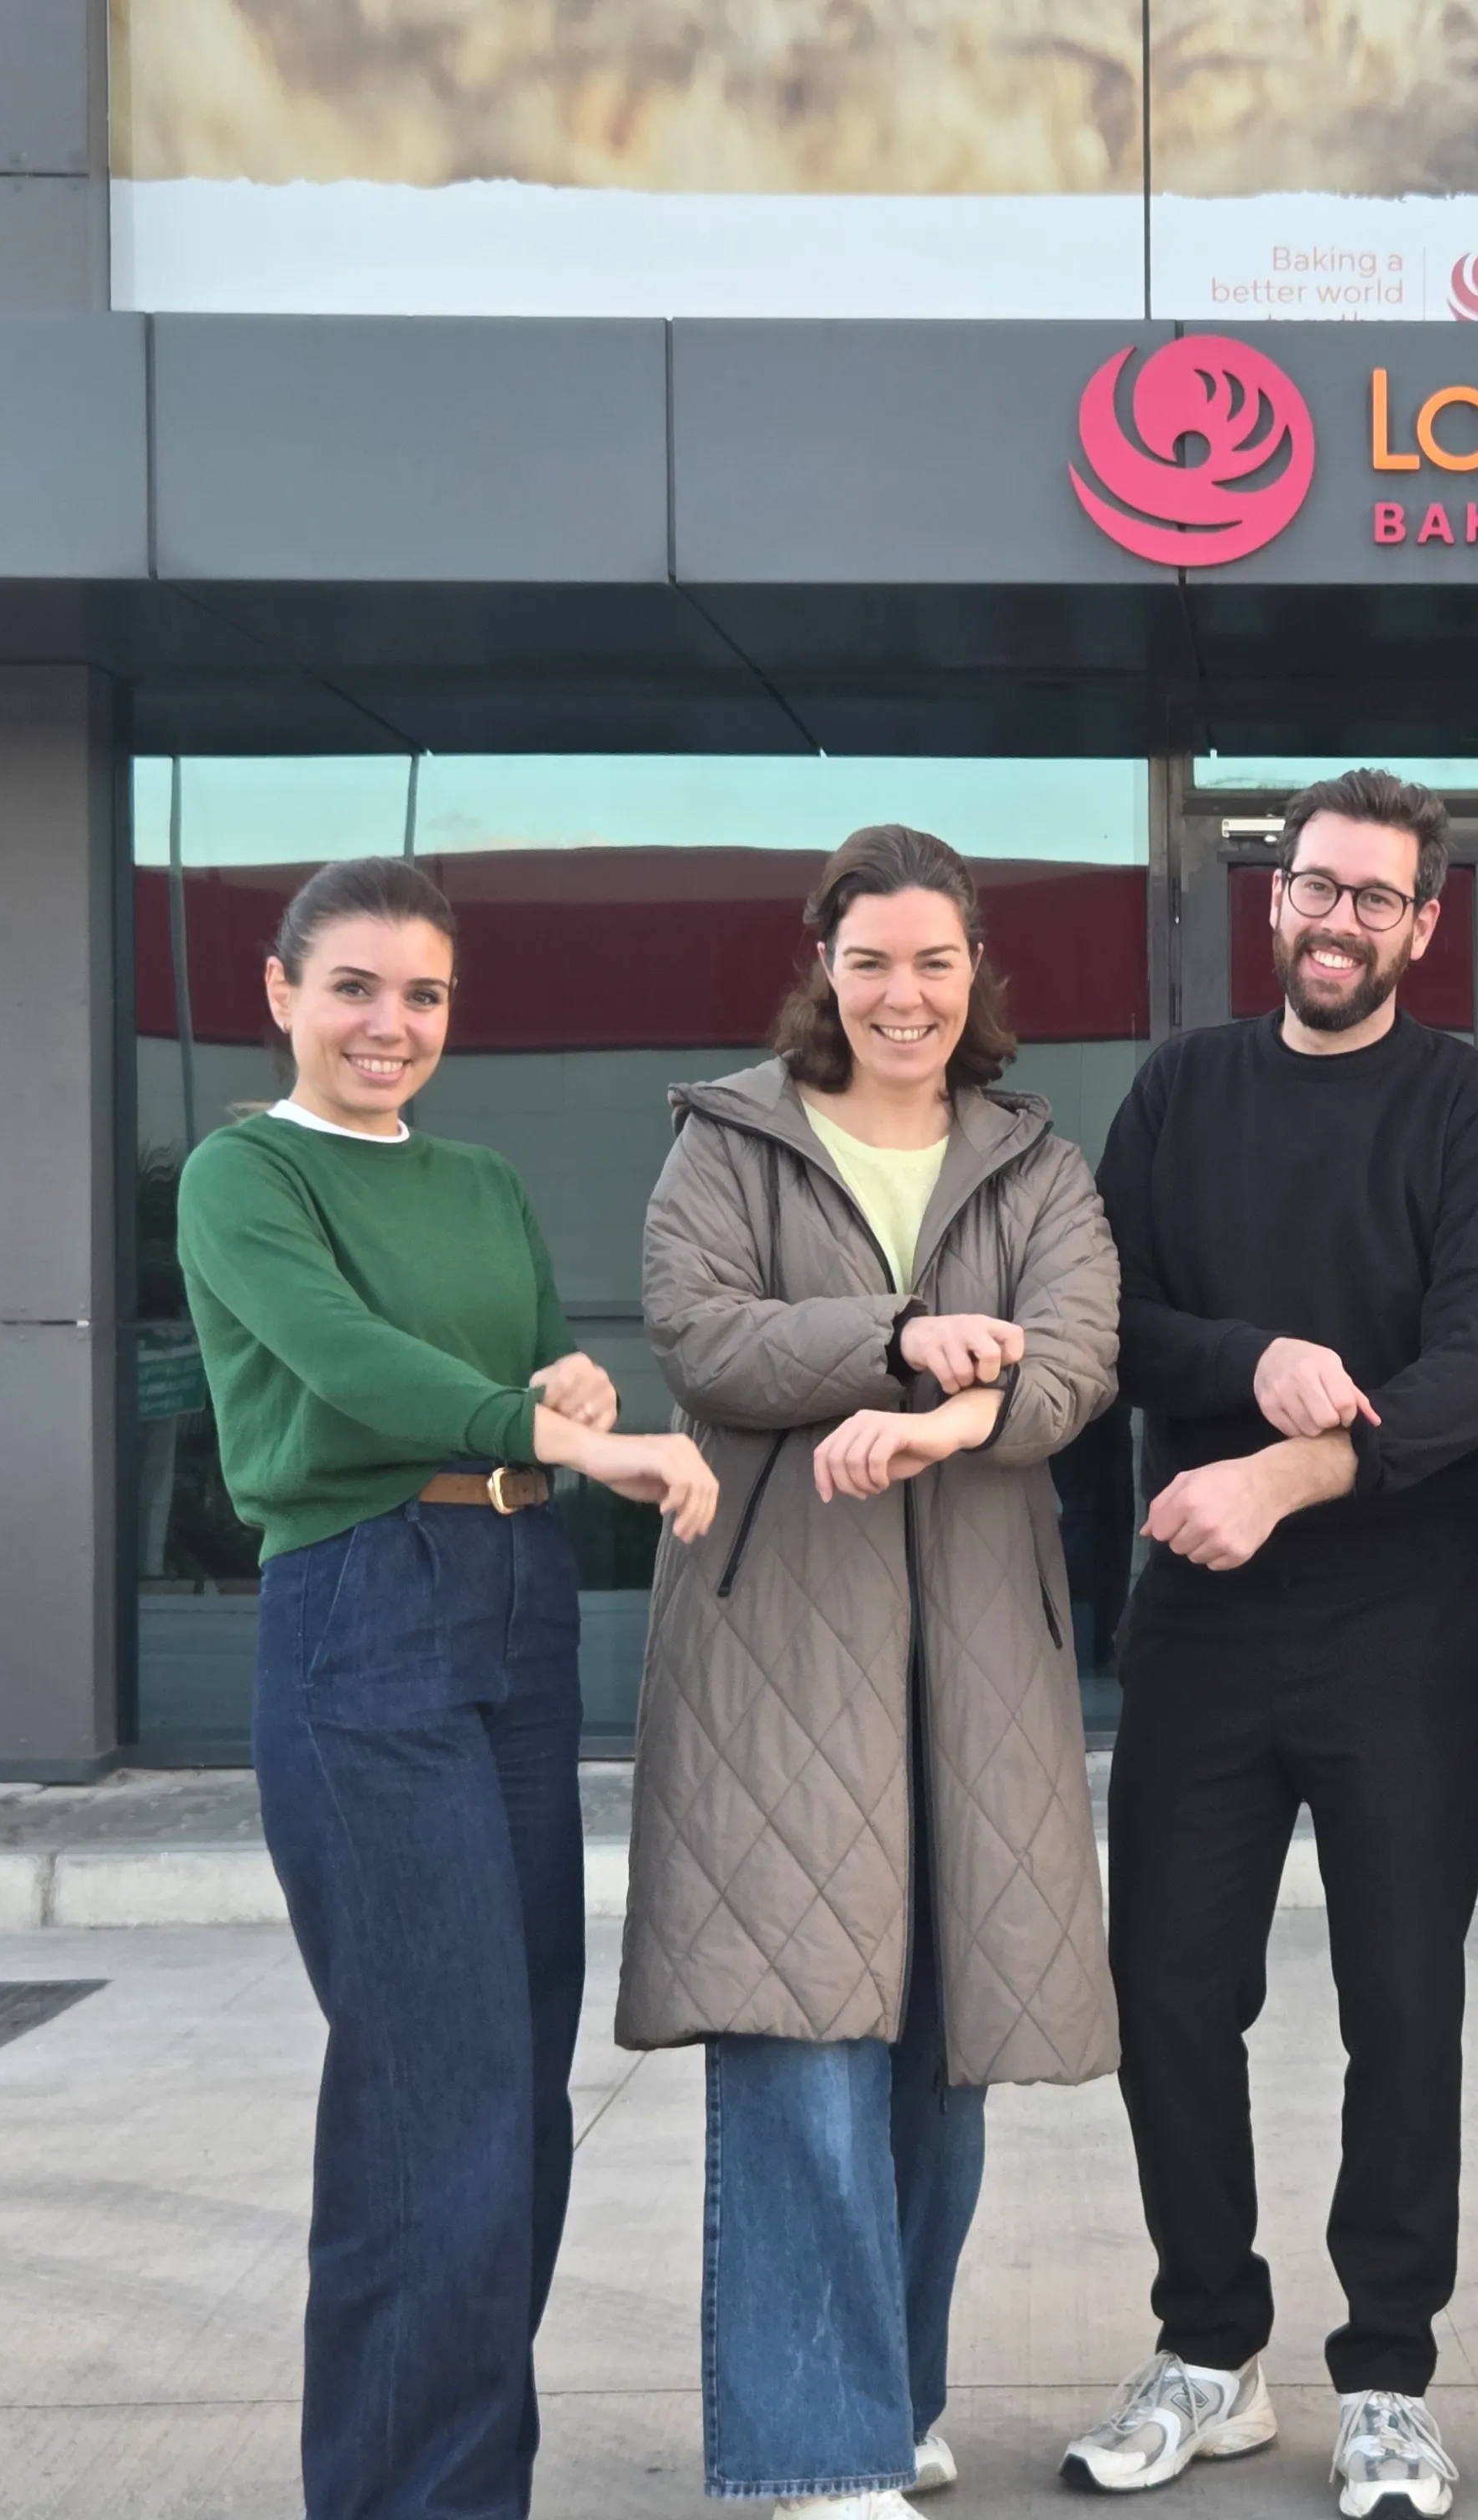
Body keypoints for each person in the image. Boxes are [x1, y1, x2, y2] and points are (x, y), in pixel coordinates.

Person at [176, 855, 720, 2520]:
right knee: (439, 2086)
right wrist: (570, 1432)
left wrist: (562, 1381)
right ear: (278, 993)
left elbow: (525, 1353)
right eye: (351, 987)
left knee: (516, 2079)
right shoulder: (240, 1172)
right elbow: (350, 1365)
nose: (387, 1024)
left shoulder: (475, 1180)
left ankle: (453, 2472)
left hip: (511, 1597)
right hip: (359, 1606)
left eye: (420, 995)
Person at [1066, 767, 1478, 2520]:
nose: (1338, 918)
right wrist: (1249, 1360)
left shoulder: (1469, 1113)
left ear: (1422, 925)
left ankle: (1385, 2380)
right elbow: (1109, 1317)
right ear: (1269, 900)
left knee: (1398, 2006)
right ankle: (1209, 2352)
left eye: (1375, 896)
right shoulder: (1183, 1091)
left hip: (1398, 1622)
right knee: (1170, 1998)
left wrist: (1294, 1465)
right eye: (1313, 886)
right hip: (1195, 1615)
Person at [620, 826, 1123, 2520]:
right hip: (779, 1655)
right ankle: (809, 2449)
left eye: (933, 960)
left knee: (941, 2063)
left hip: (979, 1660)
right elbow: (698, 1334)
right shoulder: (729, 1141)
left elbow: (1078, 1350)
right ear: (821, 967)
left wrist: (964, 1413)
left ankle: (889, 2397)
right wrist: (895, 1340)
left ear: (976, 969)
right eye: (870, 961)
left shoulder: (1033, 1161)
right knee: (801, 2044)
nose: (902, 994)